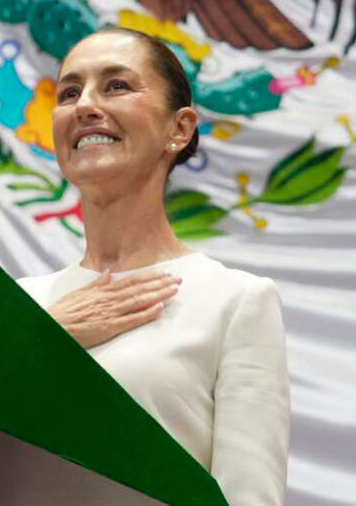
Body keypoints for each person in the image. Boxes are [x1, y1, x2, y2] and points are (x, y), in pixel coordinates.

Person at [16, 27, 290, 506]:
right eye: (69, 92)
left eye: (116, 85)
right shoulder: (19, 307)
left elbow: (249, 497)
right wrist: (39, 340)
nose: (85, 106)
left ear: (179, 129)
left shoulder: (234, 302)